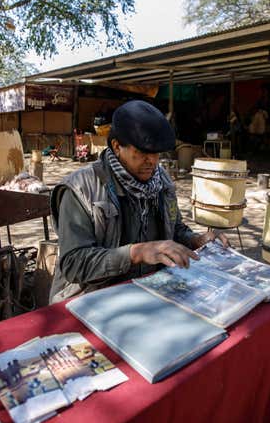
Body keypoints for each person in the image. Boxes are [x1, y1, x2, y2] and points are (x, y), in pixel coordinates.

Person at [49, 100, 228, 303]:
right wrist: (136, 253)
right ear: (117, 146)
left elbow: (175, 229)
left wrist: (196, 240)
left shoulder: (161, 181)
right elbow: (74, 264)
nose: (152, 161)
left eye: (156, 153)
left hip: (152, 292)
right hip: (92, 299)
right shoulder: (81, 189)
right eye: (142, 152)